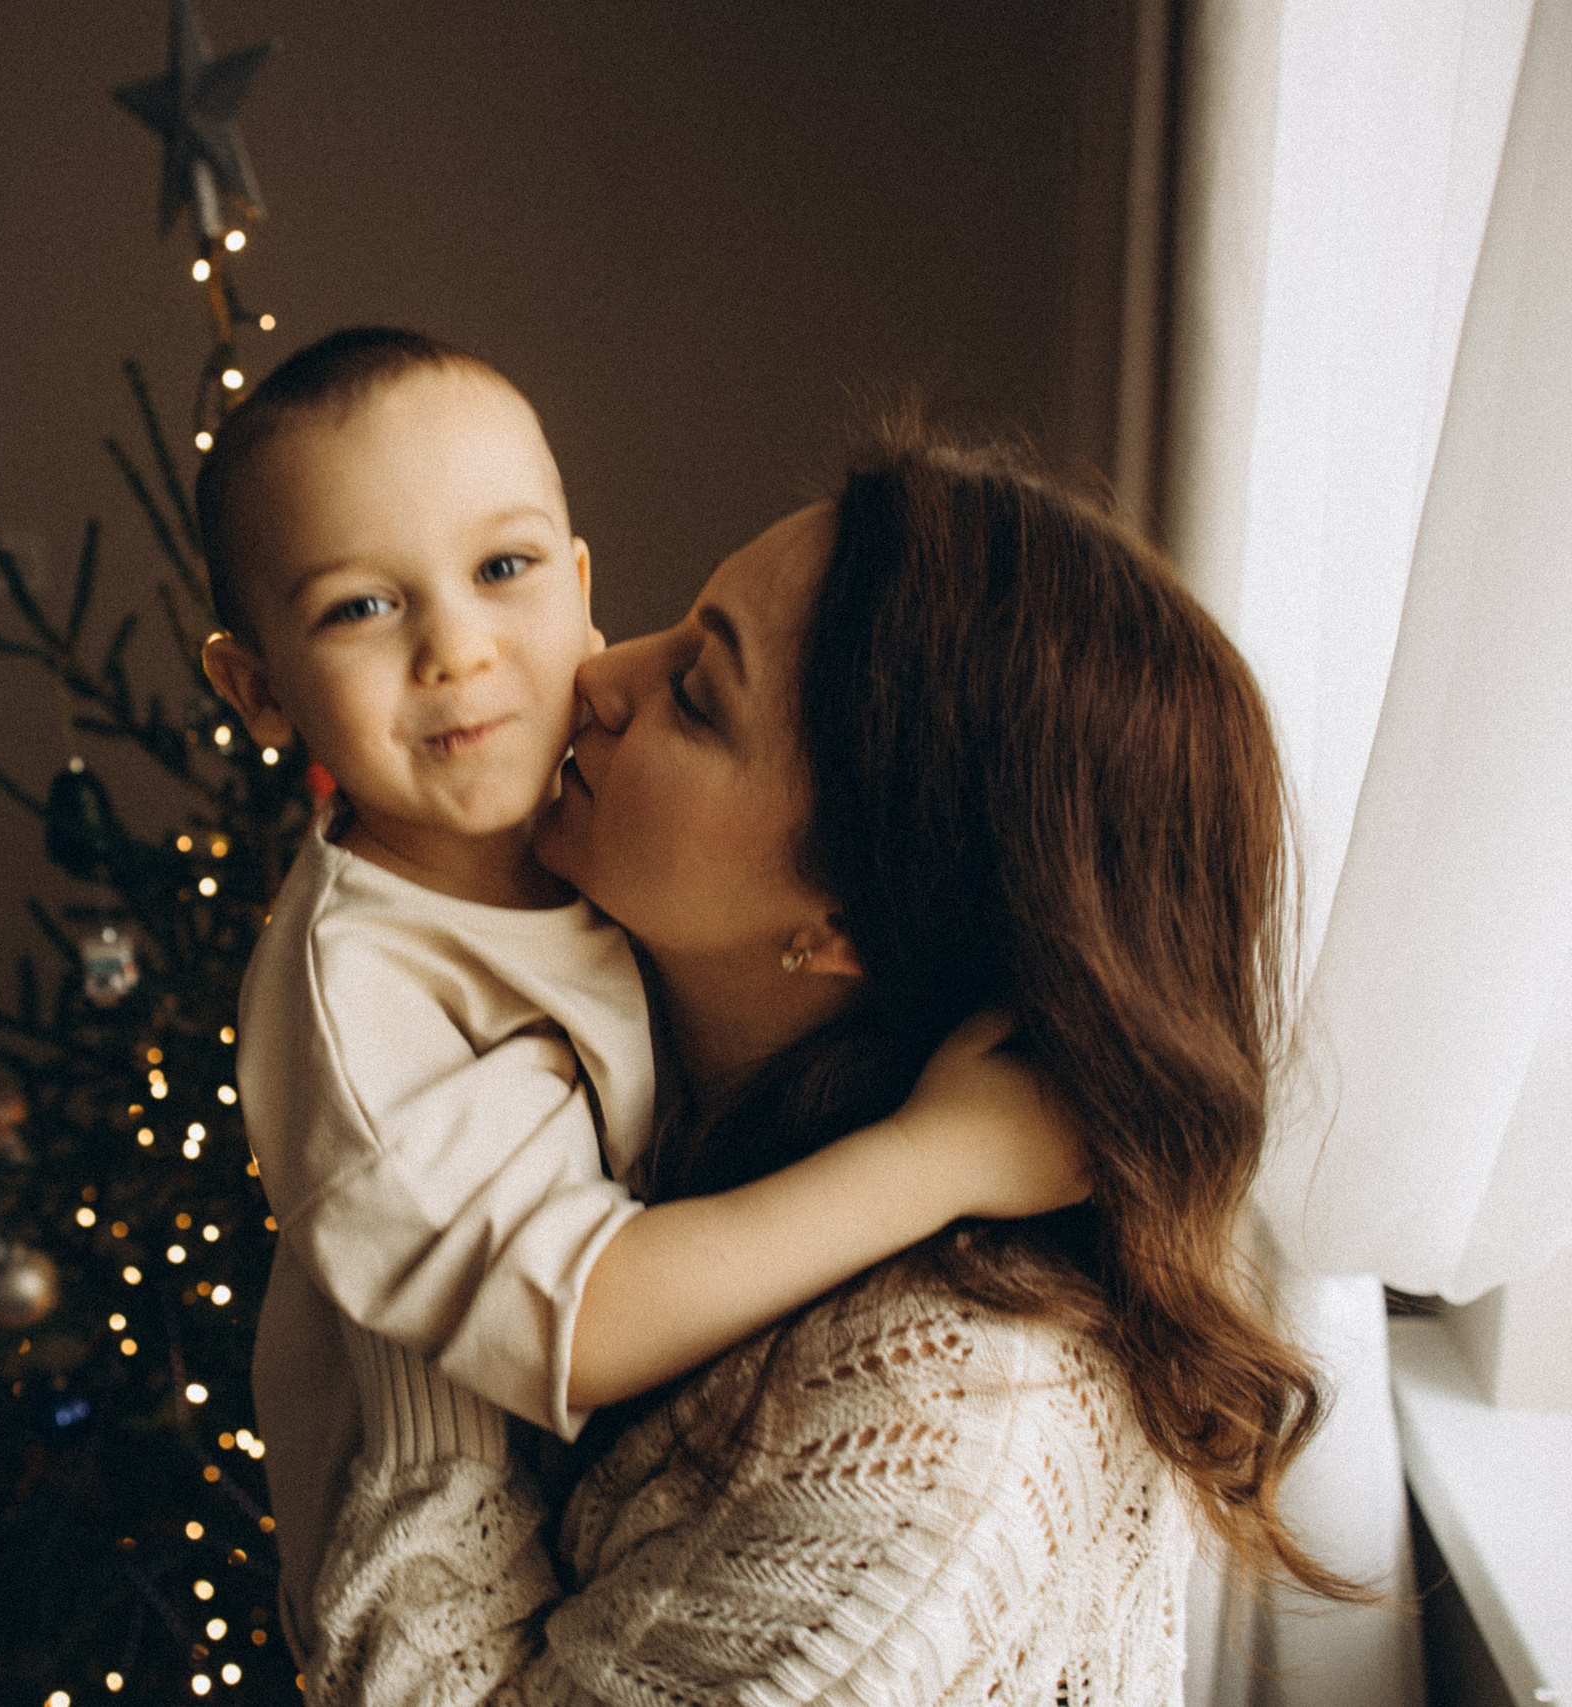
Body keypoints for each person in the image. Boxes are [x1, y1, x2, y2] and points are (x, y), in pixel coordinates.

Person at [301, 425, 1364, 1706]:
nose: (597, 673)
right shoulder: (607, 1065)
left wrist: (428, 1337)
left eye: (697, 695)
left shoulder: (932, 1445)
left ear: (849, 921)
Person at [195, 330, 1089, 1663]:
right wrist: (939, 1155)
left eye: (503, 569)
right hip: (442, 1570)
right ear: (259, 689)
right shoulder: (366, 988)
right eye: (361, 608)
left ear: (577, 586)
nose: (455, 648)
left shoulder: (580, 841)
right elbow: (587, 1323)